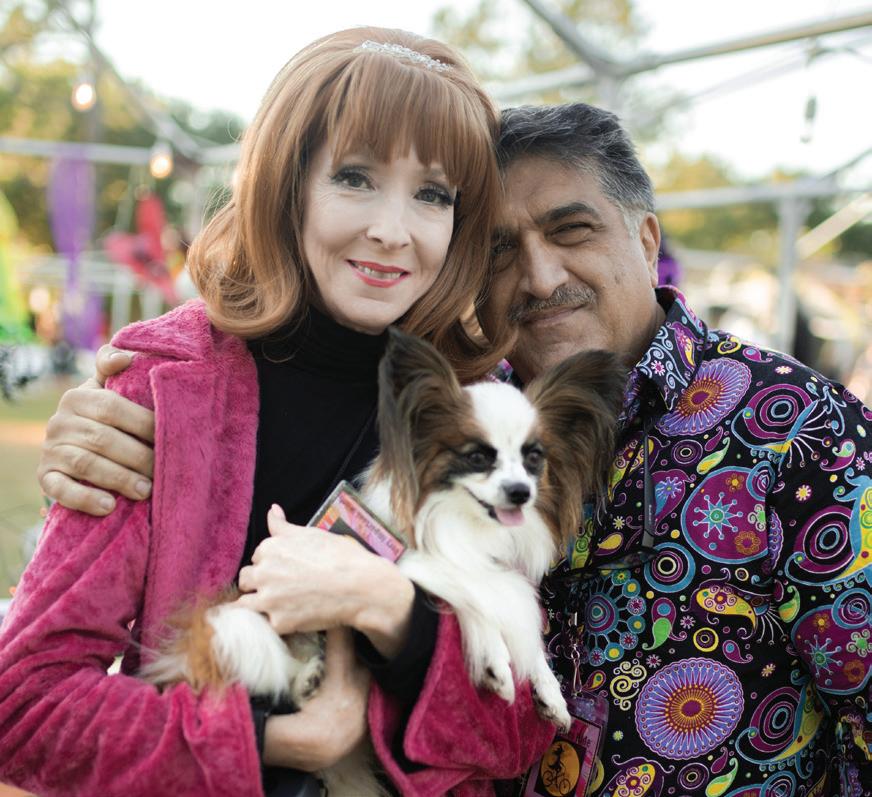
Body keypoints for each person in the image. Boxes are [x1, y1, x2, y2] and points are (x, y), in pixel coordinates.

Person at [40, 101, 872, 796]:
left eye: (572, 230)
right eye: (501, 248)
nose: (539, 275)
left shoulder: (795, 426)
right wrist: (95, 428)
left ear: (647, 239)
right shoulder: (457, 411)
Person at [0, 28, 557, 797]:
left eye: (432, 194)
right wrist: (277, 739)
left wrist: (395, 614)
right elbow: (24, 707)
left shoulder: (482, 411)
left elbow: (520, 730)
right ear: (287, 185)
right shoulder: (163, 387)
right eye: (355, 178)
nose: (392, 230)